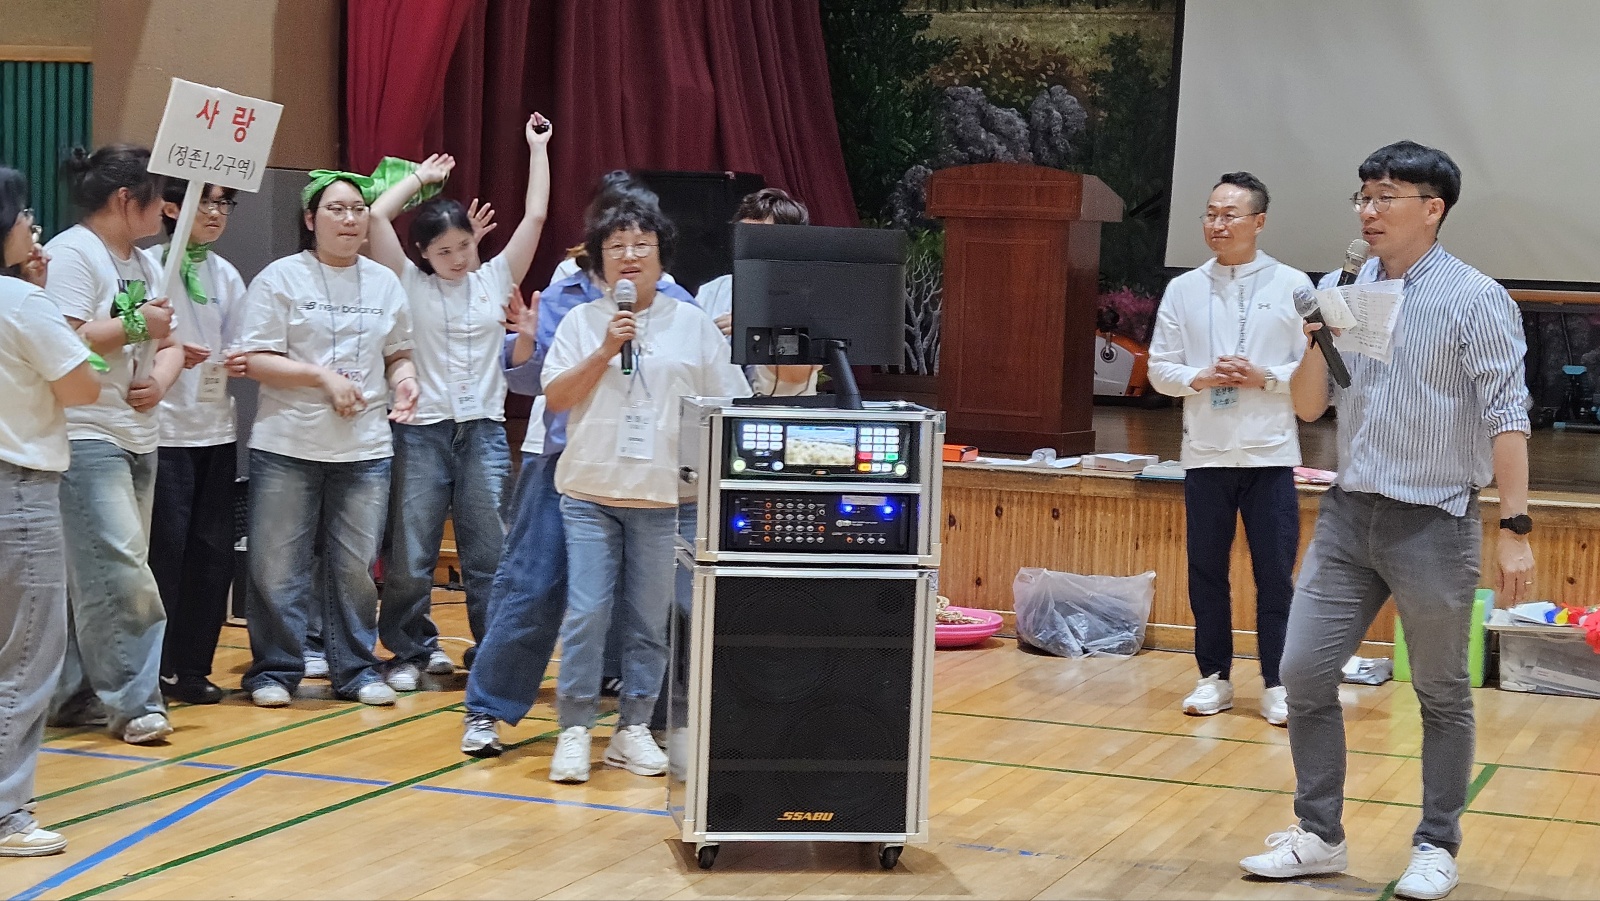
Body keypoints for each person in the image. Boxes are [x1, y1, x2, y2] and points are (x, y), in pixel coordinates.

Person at [1240, 141, 1535, 901]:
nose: (1368, 212)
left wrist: (1516, 528)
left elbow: (1508, 416)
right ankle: (1319, 835)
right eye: (1363, 197)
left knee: (1441, 691)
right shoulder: (1349, 288)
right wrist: (1316, 338)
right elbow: (1311, 405)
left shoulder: (1476, 298)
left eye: (1386, 198)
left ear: (1432, 209)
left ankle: (1436, 844)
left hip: (1433, 519)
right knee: (1303, 672)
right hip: (1349, 514)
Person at [457, 174, 697, 758]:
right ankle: (488, 710)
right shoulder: (563, 293)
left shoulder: (678, 301)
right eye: (616, 234)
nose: (629, 248)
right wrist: (523, 343)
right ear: (596, 236)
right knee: (531, 587)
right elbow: (530, 382)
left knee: (658, 604)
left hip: (646, 473)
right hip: (563, 461)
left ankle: (647, 721)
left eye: (640, 235)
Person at [540, 195, 750, 784]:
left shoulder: (693, 324)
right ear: (599, 261)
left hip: (665, 499)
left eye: (641, 245)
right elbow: (556, 398)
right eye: (616, 247)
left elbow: (728, 404)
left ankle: (632, 729)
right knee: (587, 613)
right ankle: (575, 728)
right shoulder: (584, 322)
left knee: (649, 621)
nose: (629, 256)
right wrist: (606, 349)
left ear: (662, 257)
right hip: (590, 493)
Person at [366, 114, 552, 692]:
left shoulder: (495, 278)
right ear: (422, 253)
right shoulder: (407, 282)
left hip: (484, 432)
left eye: (465, 246)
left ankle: (489, 651)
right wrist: (421, 179)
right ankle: (411, 650)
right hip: (420, 431)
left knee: (489, 551)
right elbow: (376, 217)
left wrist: (537, 147)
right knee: (411, 551)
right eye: (443, 250)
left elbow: (536, 216)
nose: (457, 258)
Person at [227, 172, 418, 708]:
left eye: (358, 209)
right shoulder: (281, 278)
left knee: (355, 567)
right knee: (275, 565)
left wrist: (406, 380)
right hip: (288, 444)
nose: (350, 219)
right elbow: (254, 359)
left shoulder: (384, 283)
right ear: (310, 220)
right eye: (336, 209)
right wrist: (321, 378)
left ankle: (355, 669)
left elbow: (399, 353)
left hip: (365, 447)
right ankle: (275, 669)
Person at [1146, 172, 1310, 725]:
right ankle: (1212, 677)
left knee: (1275, 575)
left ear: (1258, 222)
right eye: (1211, 214)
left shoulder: (1293, 285)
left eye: (1229, 215)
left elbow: (1315, 370)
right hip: (1207, 453)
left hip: (1270, 455)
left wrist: (1264, 376)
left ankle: (1278, 683)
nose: (1217, 224)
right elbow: (1159, 369)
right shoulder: (1184, 288)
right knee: (1206, 571)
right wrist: (1200, 376)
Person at [44, 145, 185, 745]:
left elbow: (170, 343)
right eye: (158, 197)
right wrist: (133, 326)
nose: (166, 208)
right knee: (121, 571)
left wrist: (162, 380)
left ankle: (72, 694)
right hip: (85, 433)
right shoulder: (73, 254)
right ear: (126, 199)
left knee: (96, 573)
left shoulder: (150, 264)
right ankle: (135, 702)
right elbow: (62, 340)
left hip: (138, 435)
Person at [0, 168, 100, 857]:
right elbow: (83, 386)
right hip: (18, 489)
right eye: (22, 214)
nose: (32, 224)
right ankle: (6, 813)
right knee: (27, 656)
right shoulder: (22, 303)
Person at [146, 180, 247, 705]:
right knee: (164, 551)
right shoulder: (149, 267)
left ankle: (192, 667)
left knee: (212, 552)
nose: (215, 212)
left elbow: (244, 340)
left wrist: (241, 357)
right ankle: (154, 669)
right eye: (204, 201)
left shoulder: (226, 274)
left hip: (216, 430)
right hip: (163, 432)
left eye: (223, 203)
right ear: (170, 208)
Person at [694, 187, 820, 397]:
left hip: (780, 413)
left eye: (759, 239)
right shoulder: (713, 291)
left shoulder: (806, 297)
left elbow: (797, 375)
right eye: (743, 236)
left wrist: (754, 332)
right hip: (719, 411)